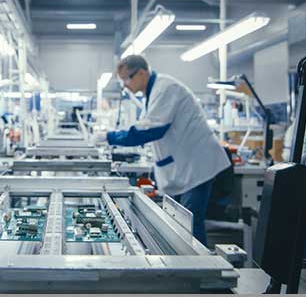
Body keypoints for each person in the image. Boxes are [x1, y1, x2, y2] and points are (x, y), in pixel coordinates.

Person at [93, 55, 231, 245]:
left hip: (196, 166)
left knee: (189, 225)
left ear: (141, 73)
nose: (125, 85)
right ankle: (185, 267)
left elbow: (150, 130)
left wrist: (109, 137)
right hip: (184, 166)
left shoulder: (166, 89)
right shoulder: (155, 91)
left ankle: (198, 271)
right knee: (178, 223)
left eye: (127, 78)